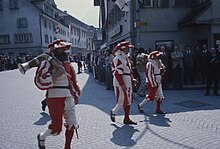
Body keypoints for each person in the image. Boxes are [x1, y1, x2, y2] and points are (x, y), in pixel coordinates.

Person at [35, 39, 81, 149]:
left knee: (72, 123)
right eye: (59, 48)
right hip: (54, 96)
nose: (62, 50)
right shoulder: (46, 62)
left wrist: (76, 94)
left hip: (68, 96)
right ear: (53, 49)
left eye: (63, 48)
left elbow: (72, 81)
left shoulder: (68, 64)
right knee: (56, 129)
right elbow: (38, 80)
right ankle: (42, 136)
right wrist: (55, 75)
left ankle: (67, 147)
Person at [110, 41, 137, 125]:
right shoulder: (118, 58)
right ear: (122, 49)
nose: (128, 49)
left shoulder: (125, 58)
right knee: (121, 101)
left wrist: (132, 79)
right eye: (127, 48)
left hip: (127, 79)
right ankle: (113, 112)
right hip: (120, 81)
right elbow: (117, 73)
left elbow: (129, 71)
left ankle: (127, 118)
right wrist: (122, 84)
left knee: (128, 100)